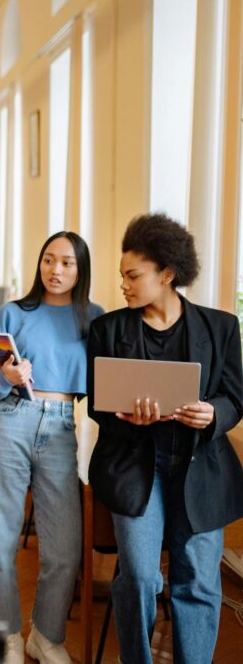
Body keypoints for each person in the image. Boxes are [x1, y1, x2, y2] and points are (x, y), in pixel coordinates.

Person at [87, 214, 243, 664]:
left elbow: (234, 398)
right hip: (136, 466)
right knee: (137, 575)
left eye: (133, 275)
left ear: (168, 273)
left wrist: (212, 413)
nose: (124, 285)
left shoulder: (221, 328)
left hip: (201, 468)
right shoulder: (109, 330)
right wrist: (126, 417)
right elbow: (99, 403)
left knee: (196, 579)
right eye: (122, 276)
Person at [0, 231, 104, 664]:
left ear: (80, 269)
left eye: (67, 262)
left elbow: (104, 387)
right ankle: (7, 633)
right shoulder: (11, 313)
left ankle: (45, 635)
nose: (56, 270)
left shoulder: (95, 320)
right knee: (2, 541)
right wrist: (5, 379)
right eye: (49, 259)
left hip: (64, 427)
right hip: (10, 420)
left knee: (65, 549)